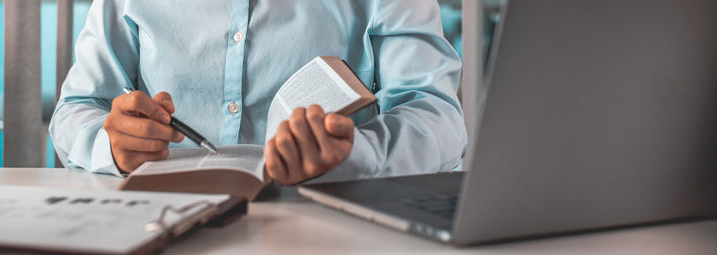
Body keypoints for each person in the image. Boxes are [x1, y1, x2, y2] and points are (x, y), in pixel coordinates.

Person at [50, 0, 467, 185]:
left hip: (328, 229)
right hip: (162, 225)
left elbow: (436, 115)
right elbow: (76, 108)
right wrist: (110, 144)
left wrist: (360, 154)